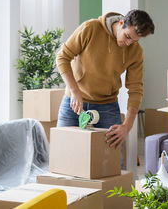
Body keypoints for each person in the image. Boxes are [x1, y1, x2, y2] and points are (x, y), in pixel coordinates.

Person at [56, 10, 155, 149]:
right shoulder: (90, 28)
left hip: (106, 106)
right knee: (62, 151)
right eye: (127, 37)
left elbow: (135, 89)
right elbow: (62, 57)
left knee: (111, 161)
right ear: (121, 23)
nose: (128, 43)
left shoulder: (136, 51)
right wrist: (74, 90)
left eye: (134, 40)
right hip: (74, 102)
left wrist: (127, 126)